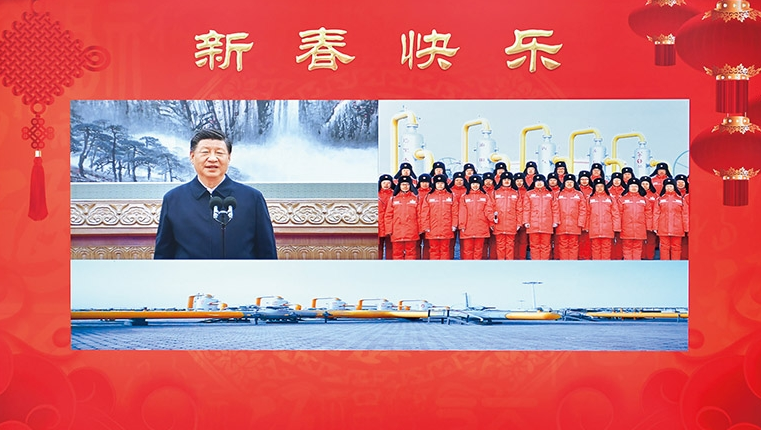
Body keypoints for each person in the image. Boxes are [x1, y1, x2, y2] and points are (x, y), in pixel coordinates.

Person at [154, 129, 277, 259]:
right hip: (189, 272)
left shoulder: (252, 198)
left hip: (241, 272)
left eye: (219, 153)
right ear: (192, 156)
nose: (212, 159)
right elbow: (163, 254)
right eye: (205, 152)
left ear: (229, 157)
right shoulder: (173, 199)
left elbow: (267, 253)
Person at [420, 175, 458, 260]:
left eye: (442, 183)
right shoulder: (429, 196)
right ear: (434, 184)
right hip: (432, 228)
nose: (440, 185)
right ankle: (434, 267)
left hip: (446, 228)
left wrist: (454, 225)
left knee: (445, 249)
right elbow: (425, 213)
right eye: (438, 183)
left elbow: (455, 212)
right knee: (434, 249)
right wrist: (425, 226)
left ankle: (444, 267)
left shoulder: (451, 196)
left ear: (445, 184)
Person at [383, 176, 421, 259]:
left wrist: (419, 229)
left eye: (407, 184)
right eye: (403, 184)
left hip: (411, 231)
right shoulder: (393, 199)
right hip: (397, 231)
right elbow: (388, 216)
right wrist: (389, 230)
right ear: (399, 185)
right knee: (397, 253)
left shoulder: (415, 198)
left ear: (410, 185)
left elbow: (419, 215)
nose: (405, 186)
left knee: (411, 253)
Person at [522, 175, 559, 260]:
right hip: (533, 224)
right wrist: (526, 221)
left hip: (547, 224)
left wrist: (555, 221)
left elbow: (555, 208)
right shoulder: (529, 194)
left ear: (544, 182)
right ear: (534, 183)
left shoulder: (550, 194)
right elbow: (526, 208)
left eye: (541, 181)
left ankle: (544, 264)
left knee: (546, 245)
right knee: (534, 245)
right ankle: (536, 264)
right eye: (537, 182)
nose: (539, 183)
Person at [458, 175, 494, 260]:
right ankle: (468, 266)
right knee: (467, 250)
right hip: (467, 227)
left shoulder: (485, 196)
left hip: (481, 226)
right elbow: (462, 212)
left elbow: (488, 210)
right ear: (470, 184)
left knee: (478, 249)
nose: (475, 185)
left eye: (477, 184)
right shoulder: (465, 196)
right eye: (473, 183)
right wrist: (462, 225)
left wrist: (492, 222)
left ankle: (477, 266)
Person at [653, 178, 689, 260]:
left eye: (671, 186)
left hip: (678, 228)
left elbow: (685, 214)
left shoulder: (681, 199)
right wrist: (655, 226)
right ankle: (664, 265)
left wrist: (686, 227)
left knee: (676, 247)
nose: (669, 188)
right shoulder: (659, 199)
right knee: (664, 247)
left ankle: (675, 264)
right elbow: (656, 213)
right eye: (667, 186)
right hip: (663, 227)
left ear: (674, 187)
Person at [587, 178, 620, 260]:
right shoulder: (590, 199)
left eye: (601, 186)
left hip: (607, 228)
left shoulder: (610, 198)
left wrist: (616, 227)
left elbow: (615, 213)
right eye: (597, 186)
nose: (599, 188)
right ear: (594, 187)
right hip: (594, 228)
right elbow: (587, 213)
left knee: (606, 248)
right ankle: (596, 265)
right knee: (595, 247)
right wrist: (586, 227)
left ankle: (606, 265)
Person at [555, 174, 587, 260]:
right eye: (567, 182)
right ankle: (564, 263)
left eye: (571, 182)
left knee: (574, 244)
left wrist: (581, 222)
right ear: (564, 183)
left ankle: (573, 263)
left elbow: (583, 209)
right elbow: (555, 209)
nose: (569, 184)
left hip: (575, 224)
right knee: (562, 244)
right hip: (562, 224)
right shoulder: (558, 194)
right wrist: (556, 221)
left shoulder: (579, 194)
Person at [492, 172, 522, 260]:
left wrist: (519, 223)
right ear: (501, 180)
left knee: (510, 245)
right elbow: (490, 208)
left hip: (511, 224)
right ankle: (501, 264)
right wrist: (491, 222)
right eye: (504, 179)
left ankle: (509, 264)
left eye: (508, 179)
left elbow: (519, 209)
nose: (506, 181)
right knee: (500, 245)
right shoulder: (495, 192)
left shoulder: (516, 193)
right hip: (498, 223)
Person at [618, 179, 650, 260]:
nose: (634, 188)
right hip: (626, 228)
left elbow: (648, 214)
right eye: (632, 186)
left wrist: (649, 226)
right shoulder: (622, 199)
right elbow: (619, 214)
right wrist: (618, 227)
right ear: (628, 187)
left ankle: (636, 264)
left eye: (636, 186)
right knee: (626, 248)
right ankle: (628, 265)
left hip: (640, 228)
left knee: (638, 248)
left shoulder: (644, 199)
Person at [378, 174, 395, 260]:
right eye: (384, 183)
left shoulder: (395, 195)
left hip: (391, 225)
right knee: (378, 248)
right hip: (378, 225)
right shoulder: (376, 195)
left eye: (388, 183)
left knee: (390, 248)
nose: (386, 185)